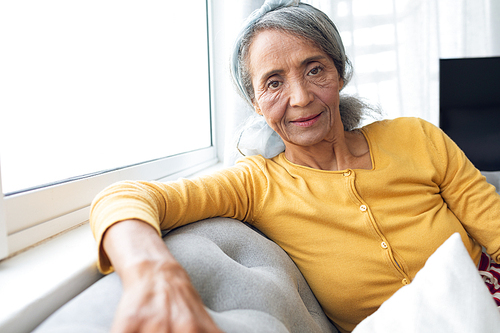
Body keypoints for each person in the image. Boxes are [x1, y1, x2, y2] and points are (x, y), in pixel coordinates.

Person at [90, 1, 500, 332]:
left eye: (314, 69)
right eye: (273, 82)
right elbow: (124, 196)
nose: (301, 98)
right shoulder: (256, 184)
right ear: (255, 102)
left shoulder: (416, 136)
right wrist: (152, 272)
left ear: (340, 73)